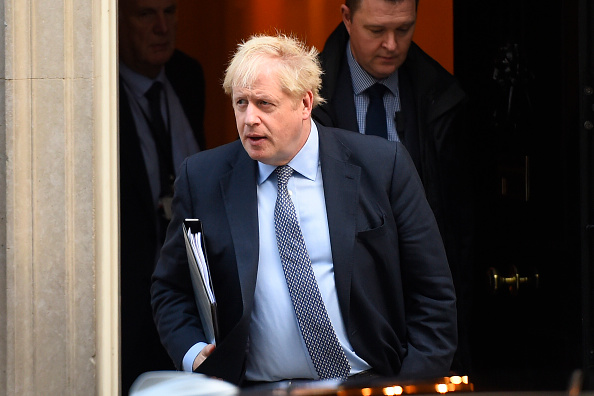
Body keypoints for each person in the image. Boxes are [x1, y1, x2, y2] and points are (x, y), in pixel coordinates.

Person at [151, 34, 456, 386]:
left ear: (305, 103)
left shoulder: (382, 166)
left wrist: (411, 385)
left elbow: (432, 294)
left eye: (265, 104)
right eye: (240, 103)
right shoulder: (202, 178)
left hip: (365, 383)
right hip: (255, 388)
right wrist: (193, 353)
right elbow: (170, 289)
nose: (249, 118)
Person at [311, 0, 473, 373]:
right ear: (347, 18)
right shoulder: (307, 99)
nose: (391, 44)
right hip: (337, 309)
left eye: (403, 29)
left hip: (420, 311)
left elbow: (458, 226)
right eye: (376, 31)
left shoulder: (442, 95)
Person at [118, 0, 206, 393]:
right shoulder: (99, 91)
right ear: (115, 20)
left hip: (189, 292)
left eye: (169, 12)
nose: (161, 27)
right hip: (127, 298)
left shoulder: (188, 76)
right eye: (144, 14)